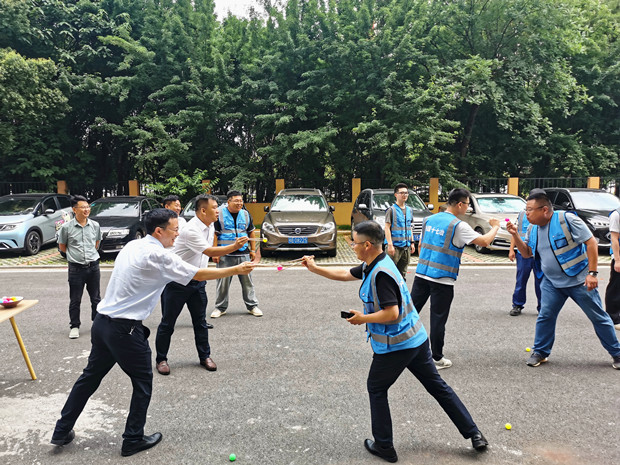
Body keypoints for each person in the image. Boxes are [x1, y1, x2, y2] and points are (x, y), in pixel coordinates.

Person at [50, 208, 255, 456]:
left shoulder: (133, 245)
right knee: (142, 383)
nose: (178, 234)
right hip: (125, 330)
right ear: (159, 231)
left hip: (102, 324)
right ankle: (133, 439)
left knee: (89, 378)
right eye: (175, 230)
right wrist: (236, 269)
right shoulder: (159, 255)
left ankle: (61, 430)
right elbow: (197, 274)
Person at [301, 221, 488, 463]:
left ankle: (384, 446)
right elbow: (346, 274)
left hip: (397, 345)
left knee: (376, 388)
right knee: (437, 387)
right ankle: (474, 433)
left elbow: (392, 313)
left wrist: (362, 318)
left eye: (354, 243)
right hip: (416, 339)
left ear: (367, 245)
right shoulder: (377, 262)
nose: (352, 246)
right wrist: (315, 268)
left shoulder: (381, 274)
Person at [507, 189, 620, 369]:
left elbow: (591, 242)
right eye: (526, 210)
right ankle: (540, 352)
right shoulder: (532, 228)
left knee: (598, 317)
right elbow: (527, 253)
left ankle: (617, 353)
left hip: (579, 280)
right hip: (551, 282)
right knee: (545, 316)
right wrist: (514, 235)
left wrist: (592, 273)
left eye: (529, 210)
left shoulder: (566, 219)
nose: (526, 213)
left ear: (544, 210)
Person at [155, 194, 249, 375]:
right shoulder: (191, 229)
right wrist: (235, 246)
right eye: (214, 208)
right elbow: (209, 251)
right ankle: (161, 359)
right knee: (168, 323)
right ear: (203, 211)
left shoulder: (210, 225)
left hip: (198, 281)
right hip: (177, 282)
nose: (218, 211)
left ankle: (205, 356)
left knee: (200, 322)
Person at [410, 188, 500, 369]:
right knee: (438, 319)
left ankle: (397, 347)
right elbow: (484, 242)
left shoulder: (429, 219)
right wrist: (496, 226)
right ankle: (436, 358)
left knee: (411, 313)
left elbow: (421, 245)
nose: (468, 208)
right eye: (467, 204)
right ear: (460, 204)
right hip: (442, 279)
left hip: (421, 274)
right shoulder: (458, 226)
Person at [211, 190, 262, 318]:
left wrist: (252, 250)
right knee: (222, 282)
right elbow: (214, 234)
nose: (239, 203)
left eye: (241, 201)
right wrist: (215, 252)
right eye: (236, 201)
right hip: (225, 253)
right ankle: (220, 308)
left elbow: (251, 232)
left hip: (243, 253)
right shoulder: (219, 214)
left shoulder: (245, 214)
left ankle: (252, 306)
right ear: (229, 201)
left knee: (247, 282)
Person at [57, 195, 102, 339]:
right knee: (75, 300)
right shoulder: (66, 228)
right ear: (74, 210)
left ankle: (97, 324)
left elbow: (96, 244)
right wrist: (74, 256)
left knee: (96, 298)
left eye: (88, 207)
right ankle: (74, 326)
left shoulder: (95, 225)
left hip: (93, 266)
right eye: (83, 207)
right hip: (76, 269)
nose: (86, 209)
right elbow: (62, 247)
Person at [508, 207, 542, 316]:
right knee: (521, 280)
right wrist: (511, 249)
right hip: (522, 252)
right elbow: (516, 232)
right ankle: (517, 305)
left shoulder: (544, 213)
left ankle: (542, 308)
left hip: (539, 253)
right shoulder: (522, 214)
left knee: (541, 282)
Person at [384, 183, 415, 280]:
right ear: (396, 195)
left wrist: (412, 242)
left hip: (406, 247)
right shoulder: (391, 210)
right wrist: (390, 245)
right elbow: (387, 228)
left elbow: (410, 227)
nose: (404, 195)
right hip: (394, 247)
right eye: (401, 193)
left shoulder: (409, 210)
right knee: (390, 273)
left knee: (402, 274)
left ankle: (401, 289)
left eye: (406, 193)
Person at [604, 206, 620, 331]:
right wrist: (617, 260)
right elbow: (614, 238)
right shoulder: (616, 214)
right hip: (619, 256)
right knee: (615, 287)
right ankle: (613, 317)